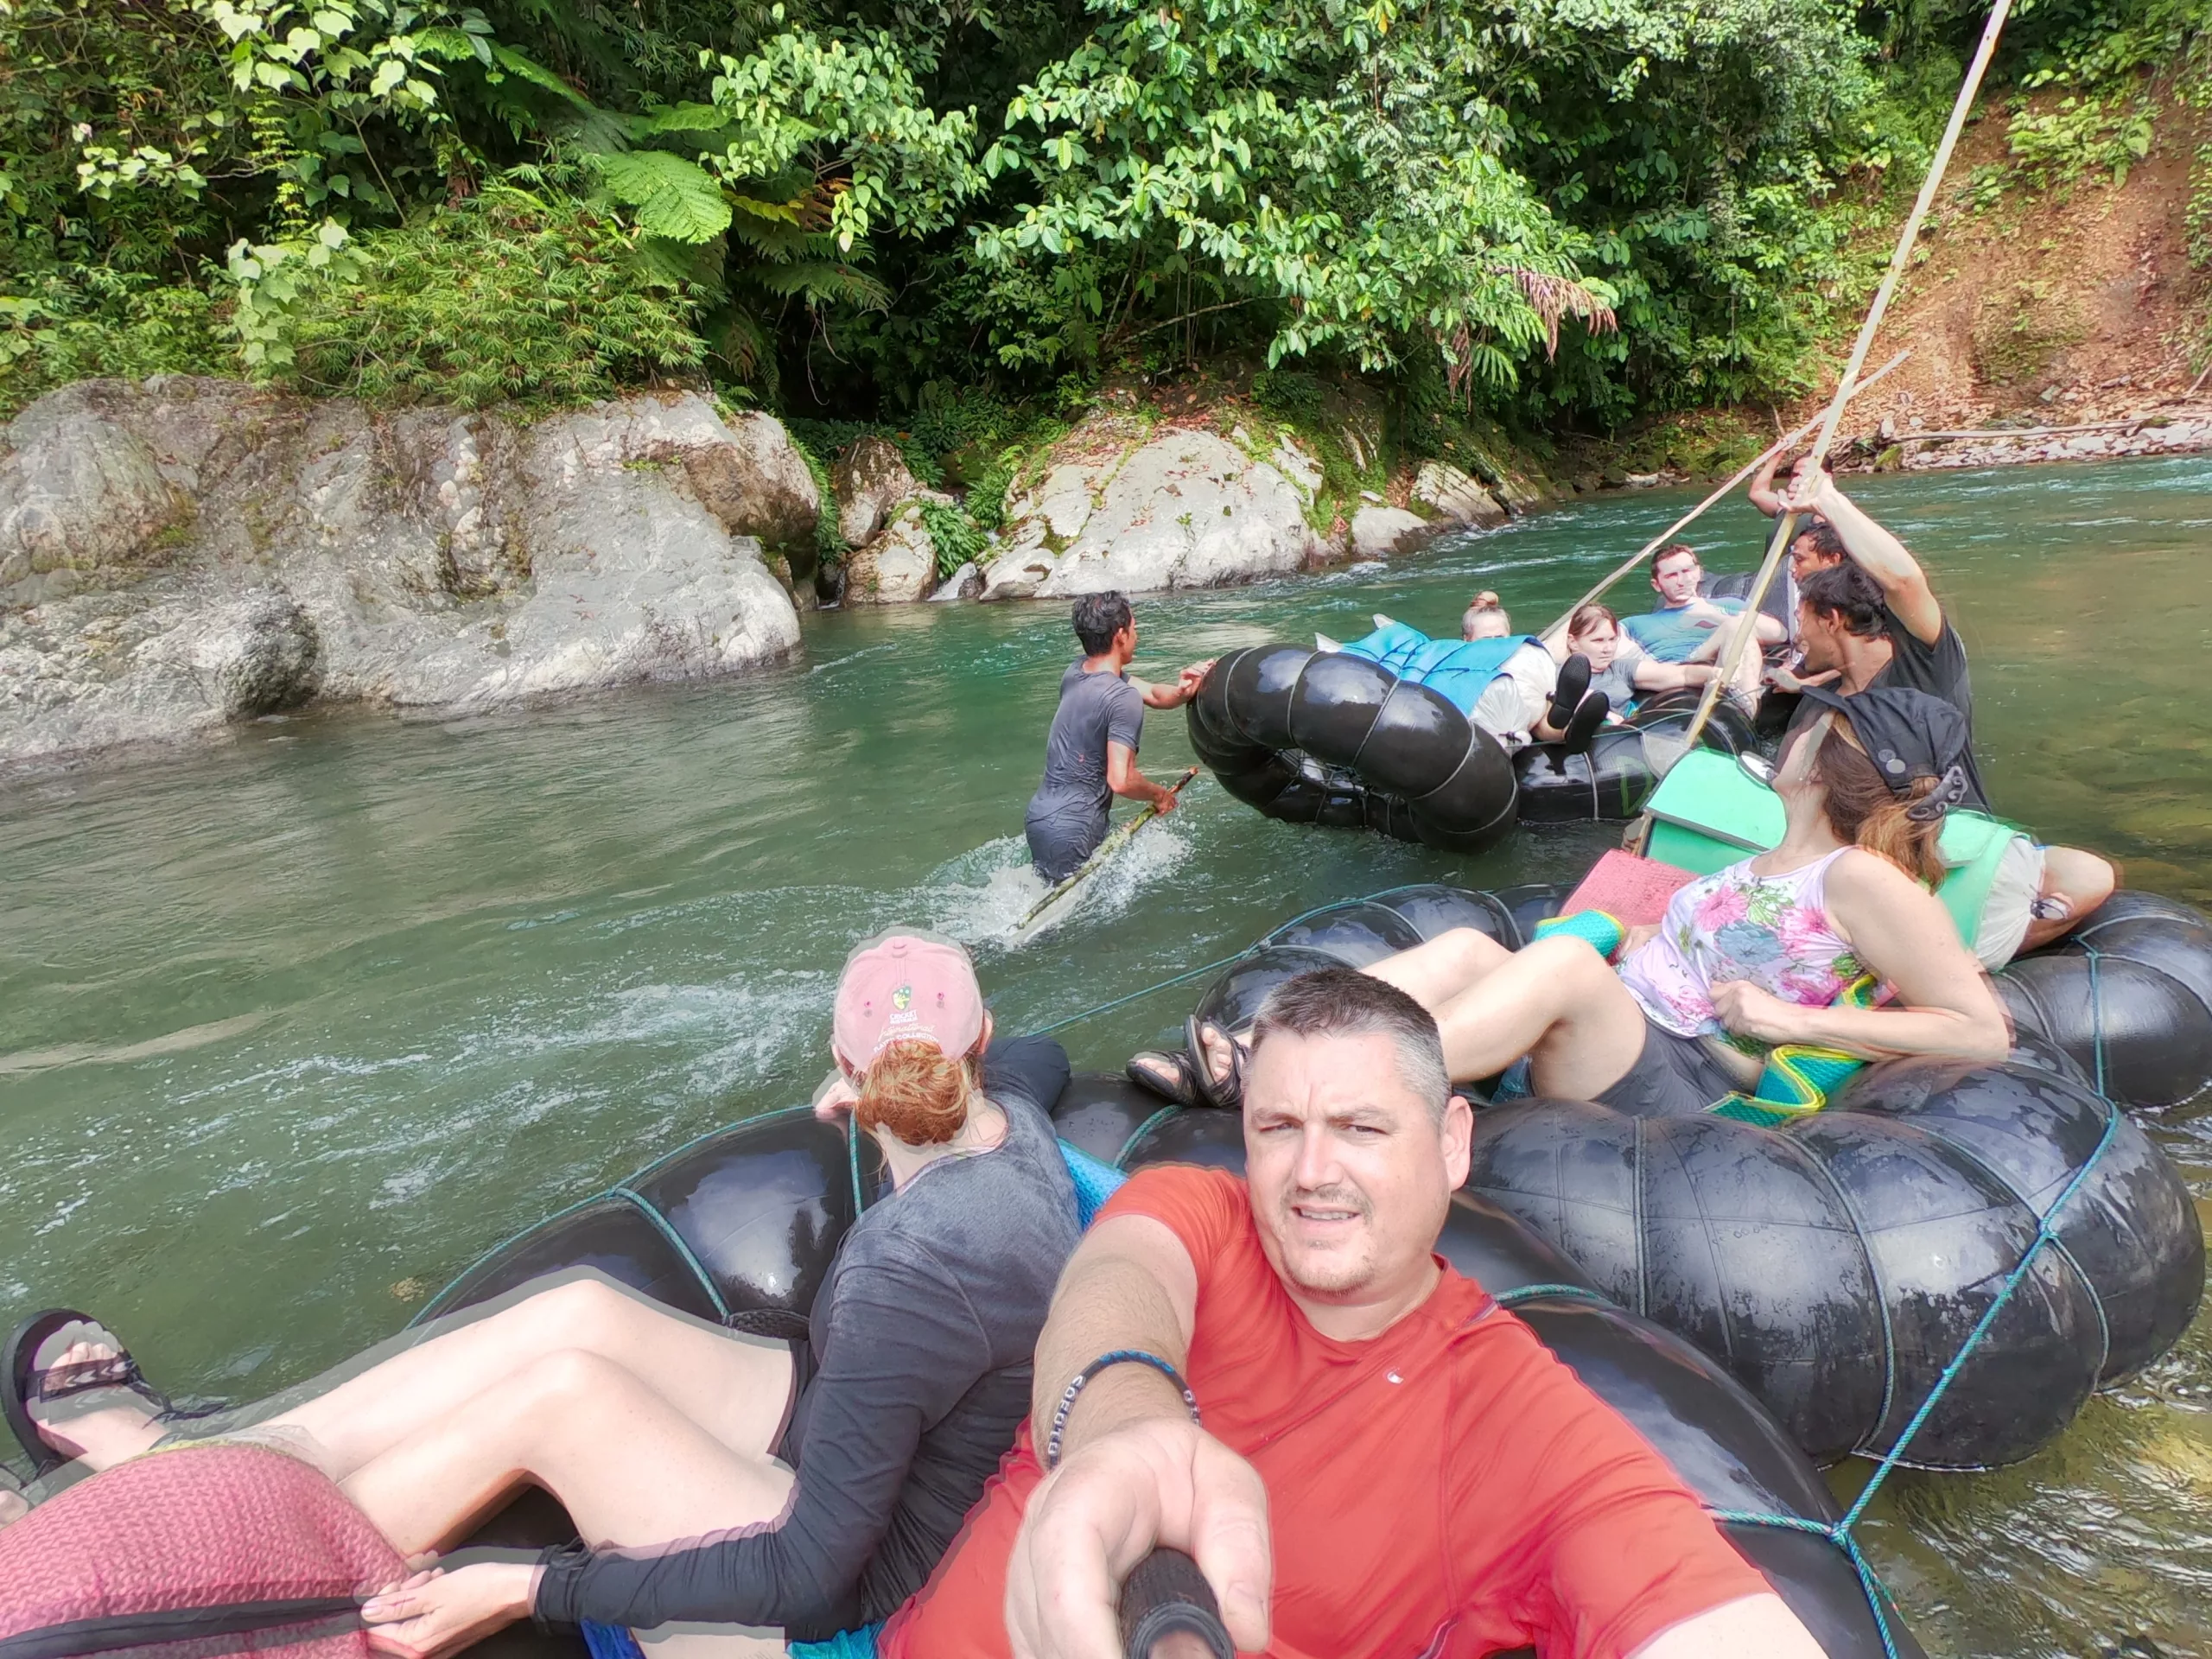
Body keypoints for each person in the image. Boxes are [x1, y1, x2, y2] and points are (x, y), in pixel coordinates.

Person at [3, 931, 1082, 1658]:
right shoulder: (1012, 1131)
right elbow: (1043, 1055)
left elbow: (811, 1578)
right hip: (879, 1445)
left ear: (839, 1073)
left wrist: (528, 1589)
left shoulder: (915, 1270)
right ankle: (219, 1451)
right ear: (978, 1052)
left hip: (865, 1600)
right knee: (578, 1313)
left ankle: (198, 1568)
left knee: (560, 1398)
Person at [879, 968, 1829, 1659]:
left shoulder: (1520, 1424)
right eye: (1278, 1129)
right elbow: (1118, 1280)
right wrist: (1124, 1426)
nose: (1311, 1173)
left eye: (1362, 1129)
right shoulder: (1200, 1210)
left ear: (1453, 1143)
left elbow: (1703, 1616)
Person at [1156, 688, 2011, 1116]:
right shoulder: (1779, 854)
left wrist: (1797, 1025)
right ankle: (1255, 1046)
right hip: (1633, 1024)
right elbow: (1740, 941)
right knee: (1467, 952)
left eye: (1812, 726)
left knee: (1560, 960)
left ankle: (1304, 1085)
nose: (1790, 731)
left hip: (1687, 1071)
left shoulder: (1861, 877)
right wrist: (1643, 932)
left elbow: (1979, 1029)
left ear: (1834, 761)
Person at [1781, 458, 2117, 958]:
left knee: (2088, 874)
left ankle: (1961, 953)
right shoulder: (1816, 708)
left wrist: (1827, 499)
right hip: (1862, 867)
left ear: (1831, 620)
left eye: (1802, 620)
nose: (1797, 633)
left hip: (1953, 847)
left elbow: (1904, 582)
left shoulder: (1926, 665)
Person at [1025, 593, 1213, 884]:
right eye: (1134, 628)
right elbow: (1121, 780)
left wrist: (1182, 691)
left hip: (1041, 820)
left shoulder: (1076, 672)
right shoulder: (1122, 699)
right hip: (1075, 827)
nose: (1137, 635)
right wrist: (1159, 795)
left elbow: (1151, 693)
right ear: (1121, 635)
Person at [1555, 601, 1723, 709]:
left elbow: (1682, 674)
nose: (1608, 648)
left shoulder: (1621, 668)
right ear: (1573, 642)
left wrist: (1716, 674)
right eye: (1598, 641)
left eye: (1613, 640)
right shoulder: (1552, 673)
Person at [1623, 544, 1747, 662]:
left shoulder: (1732, 606)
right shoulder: (1632, 624)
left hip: (1722, 668)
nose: (1681, 581)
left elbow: (1764, 631)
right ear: (1656, 585)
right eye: (1671, 576)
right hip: (1671, 671)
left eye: (1686, 571)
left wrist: (1710, 613)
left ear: (1699, 573)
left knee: (1736, 626)